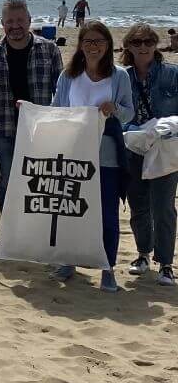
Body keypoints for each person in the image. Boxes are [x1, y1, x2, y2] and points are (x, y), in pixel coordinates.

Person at [51, 20, 133, 291]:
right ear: (81, 45)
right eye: (88, 41)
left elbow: (129, 113)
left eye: (99, 41)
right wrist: (29, 111)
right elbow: (56, 110)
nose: (93, 46)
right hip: (73, 154)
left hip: (106, 154)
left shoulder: (119, 75)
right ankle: (68, 261)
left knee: (107, 215)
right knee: (70, 212)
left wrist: (115, 109)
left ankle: (108, 268)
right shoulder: (68, 75)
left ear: (108, 44)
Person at [0, 0, 64, 212]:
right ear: (2, 23)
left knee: (39, 184)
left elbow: (62, 94)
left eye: (20, 20)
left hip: (41, 132)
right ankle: (9, 234)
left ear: (29, 20)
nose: (15, 26)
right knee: (7, 183)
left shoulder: (50, 50)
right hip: (4, 132)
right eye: (9, 21)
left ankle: (35, 234)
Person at [122, 24, 178, 287]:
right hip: (134, 148)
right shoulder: (123, 76)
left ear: (155, 44)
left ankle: (166, 263)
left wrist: (165, 129)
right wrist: (132, 131)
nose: (143, 46)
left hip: (165, 149)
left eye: (148, 42)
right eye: (137, 42)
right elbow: (120, 112)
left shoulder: (171, 74)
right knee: (138, 206)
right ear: (128, 46)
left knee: (164, 208)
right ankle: (143, 254)